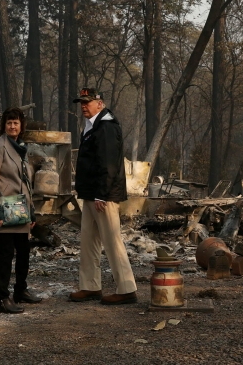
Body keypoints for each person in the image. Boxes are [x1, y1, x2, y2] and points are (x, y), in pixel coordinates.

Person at [69, 88, 137, 305]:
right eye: (81, 102)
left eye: (87, 102)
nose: (83, 106)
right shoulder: (92, 126)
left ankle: (127, 289)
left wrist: (102, 194)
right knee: (88, 241)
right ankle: (90, 286)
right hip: (90, 193)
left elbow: (108, 164)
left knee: (112, 240)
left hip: (103, 195)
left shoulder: (106, 127)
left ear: (100, 103)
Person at [0, 107, 42, 314]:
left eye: (16, 122)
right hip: (4, 207)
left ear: (21, 126)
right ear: (4, 125)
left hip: (19, 208)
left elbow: (26, 182)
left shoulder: (20, 148)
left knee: (24, 251)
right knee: (7, 253)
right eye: (9, 122)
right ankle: (1, 299)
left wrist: (32, 210)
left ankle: (21, 291)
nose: (12, 126)